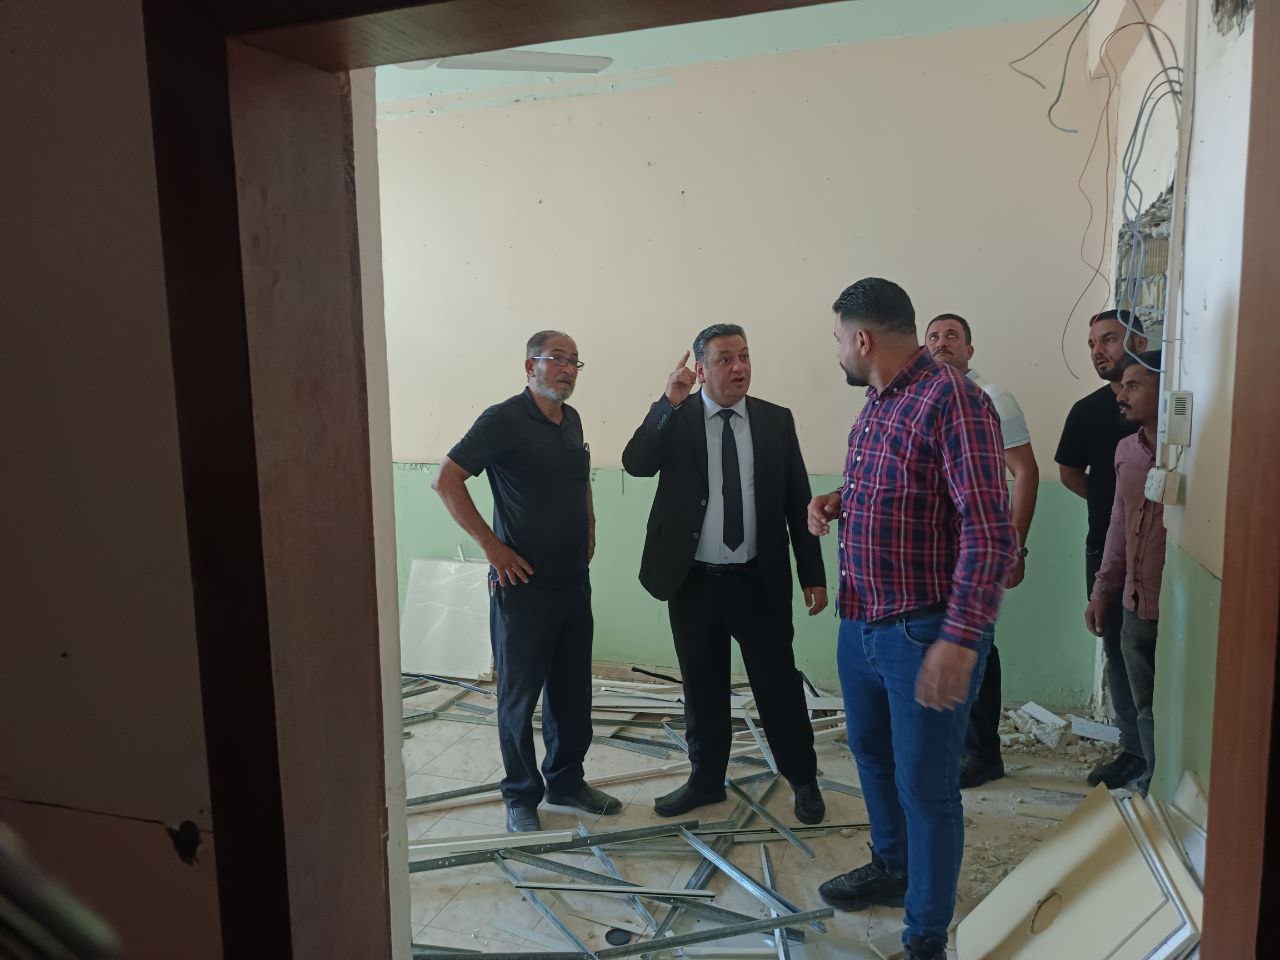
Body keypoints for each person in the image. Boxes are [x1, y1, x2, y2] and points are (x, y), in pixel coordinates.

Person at [809, 279, 1014, 960]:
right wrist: (840, 500)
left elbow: (988, 530)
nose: (837, 351)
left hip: (922, 632)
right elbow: (906, 487)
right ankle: (893, 867)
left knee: (927, 789)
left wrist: (961, 638)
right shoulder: (877, 404)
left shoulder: (955, 400)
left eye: (839, 339)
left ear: (863, 339)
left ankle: (925, 936)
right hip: (861, 622)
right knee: (871, 756)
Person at [622, 323, 828, 825]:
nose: (739, 368)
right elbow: (636, 463)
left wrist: (812, 574)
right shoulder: (677, 417)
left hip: (759, 579)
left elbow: (797, 498)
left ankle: (802, 779)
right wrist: (666, 403)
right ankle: (706, 781)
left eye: (744, 356)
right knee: (702, 686)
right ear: (700, 369)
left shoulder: (775, 420)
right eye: (725, 359)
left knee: (778, 685)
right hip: (693, 581)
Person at [432, 331, 620, 833]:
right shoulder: (503, 420)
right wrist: (493, 549)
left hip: (572, 582)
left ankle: (566, 781)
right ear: (529, 366)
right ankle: (520, 794)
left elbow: (580, 479)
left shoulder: (571, 419)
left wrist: (590, 525)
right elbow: (446, 480)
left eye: (574, 361)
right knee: (518, 698)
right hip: (523, 587)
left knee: (572, 694)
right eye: (557, 358)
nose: (567, 368)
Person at [925, 313, 1039, 788]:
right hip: (934, 552)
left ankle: (982, 753)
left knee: (976, 646)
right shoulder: (924, 398)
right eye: (933, 336)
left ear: (969, 350)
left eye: (952, 335)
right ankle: (955, 747)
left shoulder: (991, 397)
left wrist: (1014, 547)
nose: (941, 342)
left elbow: (1025, 471)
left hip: (977, 547)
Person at [1055, 309, 1150, 788]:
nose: (1098, 351)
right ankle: (1133, 750)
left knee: (1152, 654)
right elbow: (1069, 472)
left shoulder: (1162, 406)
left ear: (1139, 342)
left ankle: (1159, 753)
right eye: (1093, 343)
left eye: (1108, 339)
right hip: (1105, 548)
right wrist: (1113, 507)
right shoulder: (1087, 411)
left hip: (1158, 551)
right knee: (1117, 649)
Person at [1085, 350, 1166, 794]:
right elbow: (1117, 526)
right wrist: (1102, 592)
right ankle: (1149, 778)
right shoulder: (1126, 451)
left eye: (1133, 386)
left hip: (1176, 606)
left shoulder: (1193, 453)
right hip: (1135, 601)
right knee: (1144, 702)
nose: (1121, 395)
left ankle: (1165, 787)